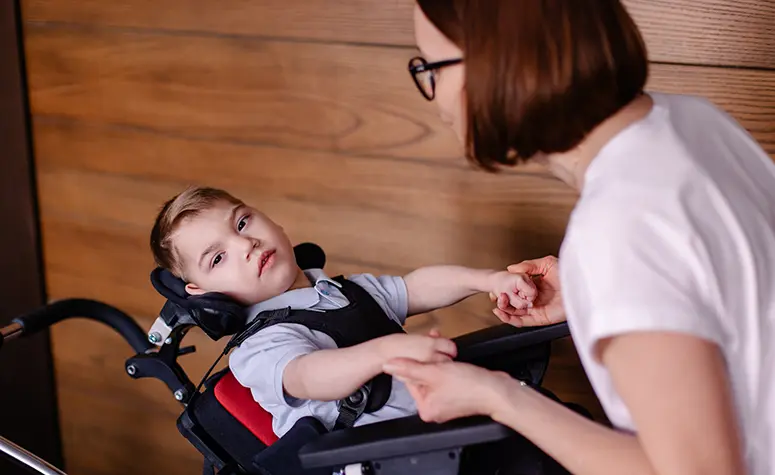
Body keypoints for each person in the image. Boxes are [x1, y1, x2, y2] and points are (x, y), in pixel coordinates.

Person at [383, 1, 775, 475]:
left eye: (432, 67)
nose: (434, 93)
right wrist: (600, 296)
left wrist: (499, 396)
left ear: (495, 65)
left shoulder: (617, 230)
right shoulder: (692, 119)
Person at [148, 185, 538, 437]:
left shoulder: (340, 291)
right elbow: (307, 376)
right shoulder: (260, 348)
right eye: (218, 258)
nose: (246, 243)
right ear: (201, 293)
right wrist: (383, 354)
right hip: (387, 456)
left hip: (449, 426)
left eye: (243, 221)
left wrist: (488, 281)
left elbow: (417, 286)